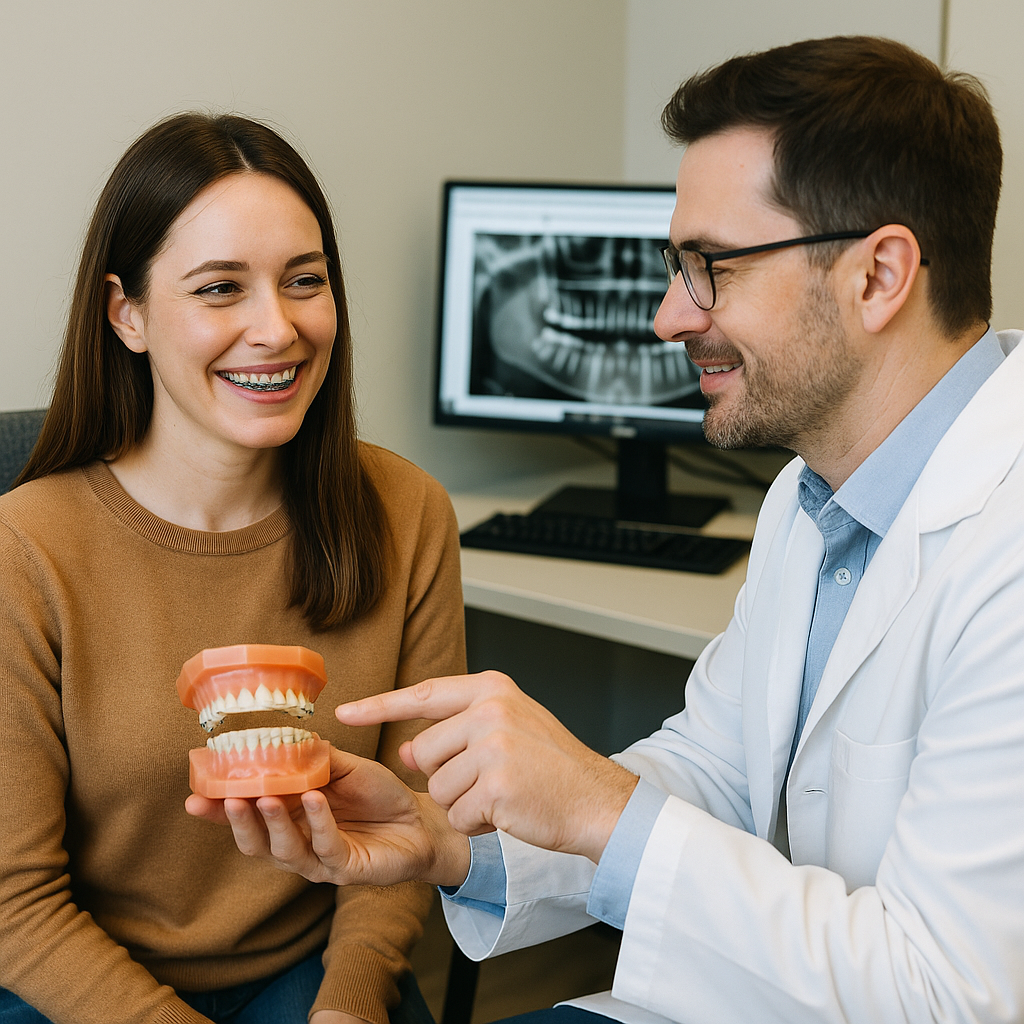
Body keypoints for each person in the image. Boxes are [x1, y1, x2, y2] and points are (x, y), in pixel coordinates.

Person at [190, 35, 1024, 1024]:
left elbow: (950, 993)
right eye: (677, 267)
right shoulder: (810, 498)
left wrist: (598, 804)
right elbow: (713, 771)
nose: (669, 316)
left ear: (878, 276)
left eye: (709, 266)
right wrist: (452, 844)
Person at [0, 113, 466, 1024]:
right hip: (74, 986)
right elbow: (15, 903)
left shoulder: (408, 512)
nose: (277, 329)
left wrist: (349, 1003)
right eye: (220, 288)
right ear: (127, 314)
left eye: (305, 282)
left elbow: (407, 824)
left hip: (310, 975)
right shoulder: (24, 549)